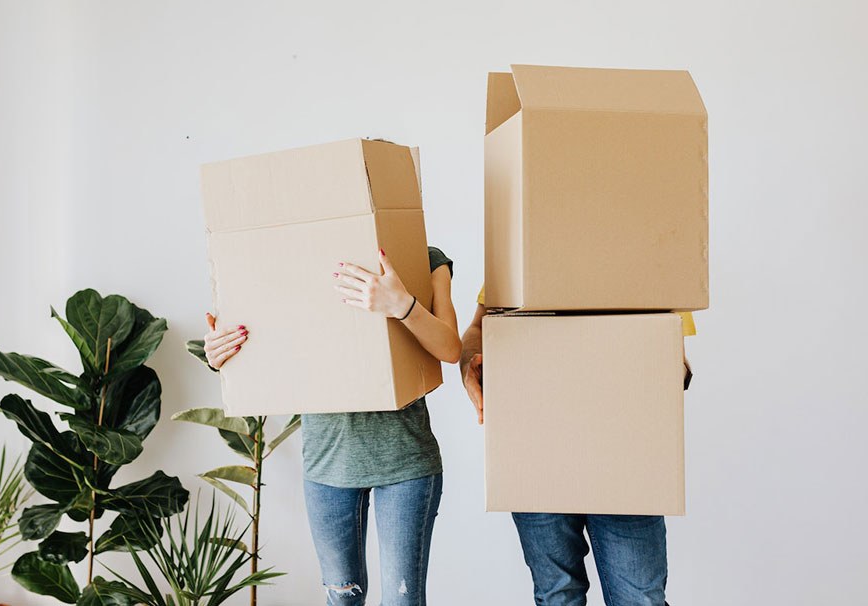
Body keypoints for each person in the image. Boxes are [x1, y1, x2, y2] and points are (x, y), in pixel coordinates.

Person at [202, 247, 460, 606]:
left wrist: (401, 305)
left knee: (403, 601)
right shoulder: (295, 259)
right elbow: (266, 342)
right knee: (342, 599)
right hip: (328, 464)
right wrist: (221, 353)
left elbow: (450, 348)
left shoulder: (425, 258)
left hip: (407, 462)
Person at [459, 285, 695, 606]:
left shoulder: (646, 250)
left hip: (624, 452)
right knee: (558, 596)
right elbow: (479, 327)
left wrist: (663, 372)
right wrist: (468, 365)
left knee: (640, 599)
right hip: (535, 446)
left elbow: (671, 347)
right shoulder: (524, 242)